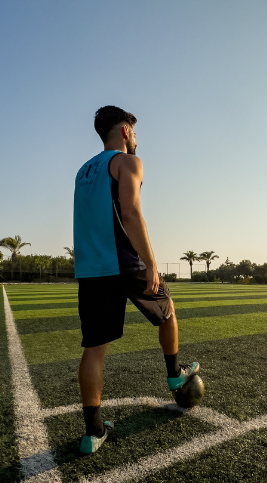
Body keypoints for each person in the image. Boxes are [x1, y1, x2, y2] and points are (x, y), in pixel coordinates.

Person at [73, 105, 199, 454]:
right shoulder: (129, 162)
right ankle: (175, 373)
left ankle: (93, 433)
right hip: (125, 261)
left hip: (90, 269)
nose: (136, 140)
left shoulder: (83, 171)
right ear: (126, 131)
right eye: (135, 132)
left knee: (94, 349)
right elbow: (130, 211)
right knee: (168, 308)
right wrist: (151, 263)